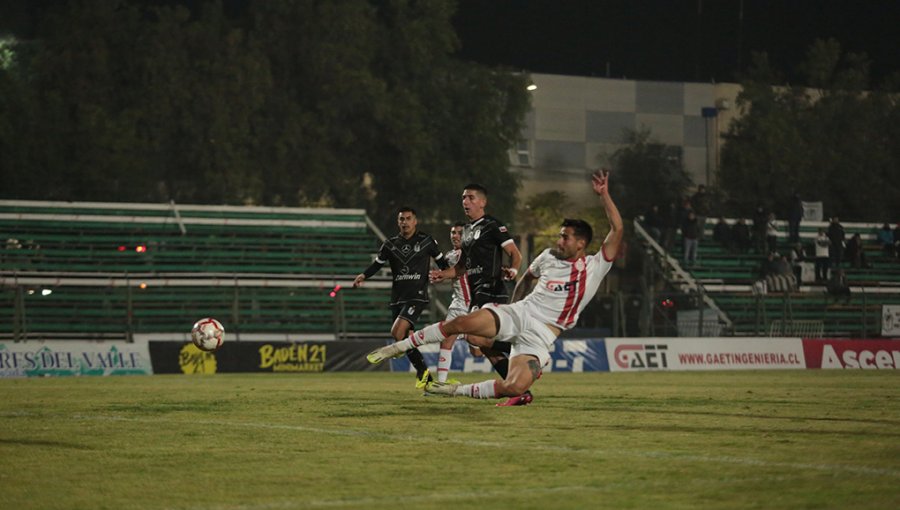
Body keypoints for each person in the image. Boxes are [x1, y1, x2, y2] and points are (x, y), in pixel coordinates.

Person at [366, 170, 623, 405]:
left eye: (565, 236)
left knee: (513, 386)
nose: (559, 240)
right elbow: (528, 277)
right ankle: (398, 347)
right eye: (559, 235)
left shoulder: (595, 266)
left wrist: (604, 195)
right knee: (462, 325)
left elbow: (617, 228)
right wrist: (515, 302)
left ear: (581, 243)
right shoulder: (548, 256)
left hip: (542, 335)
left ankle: (452, 390)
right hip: (520, 313)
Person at [431, 182, 524, 404]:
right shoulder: (467, 232)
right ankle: (517, 389)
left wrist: (513, 269)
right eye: (464, 197)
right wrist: (443, 274)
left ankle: (525, 348)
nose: (466, 201)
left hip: (492, 288)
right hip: (476, 293)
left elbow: (514, 253)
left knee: (474, 337)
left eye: (471, 197)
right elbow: (461, 268)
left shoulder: (493, 225)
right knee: (482, 346)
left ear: (482, 202)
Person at [353, 206, 449, 389]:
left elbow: (443, 263)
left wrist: (447, 274)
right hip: (397, 297)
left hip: (417, 296)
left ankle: (416, 366)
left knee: (397, 333)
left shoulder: (427, 241)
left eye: (408, 218)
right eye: (401, 219)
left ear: (415, 221)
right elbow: (377, 264)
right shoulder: (390, 244)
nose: (404, 222)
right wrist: (363, 275)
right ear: (398, 222)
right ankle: (425, 377)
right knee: (404, 337)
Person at [435, 222, 482, 383]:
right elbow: (448, 276)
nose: (454, 236)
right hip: (458, 304)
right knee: (446, 340)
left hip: (473, 305)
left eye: (459, 233)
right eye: (453, 233)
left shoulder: (473, 252)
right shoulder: (449, 255)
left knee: (477, 350)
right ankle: (440, 384)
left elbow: (457, 271)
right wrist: (438, 277)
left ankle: (524, 355)